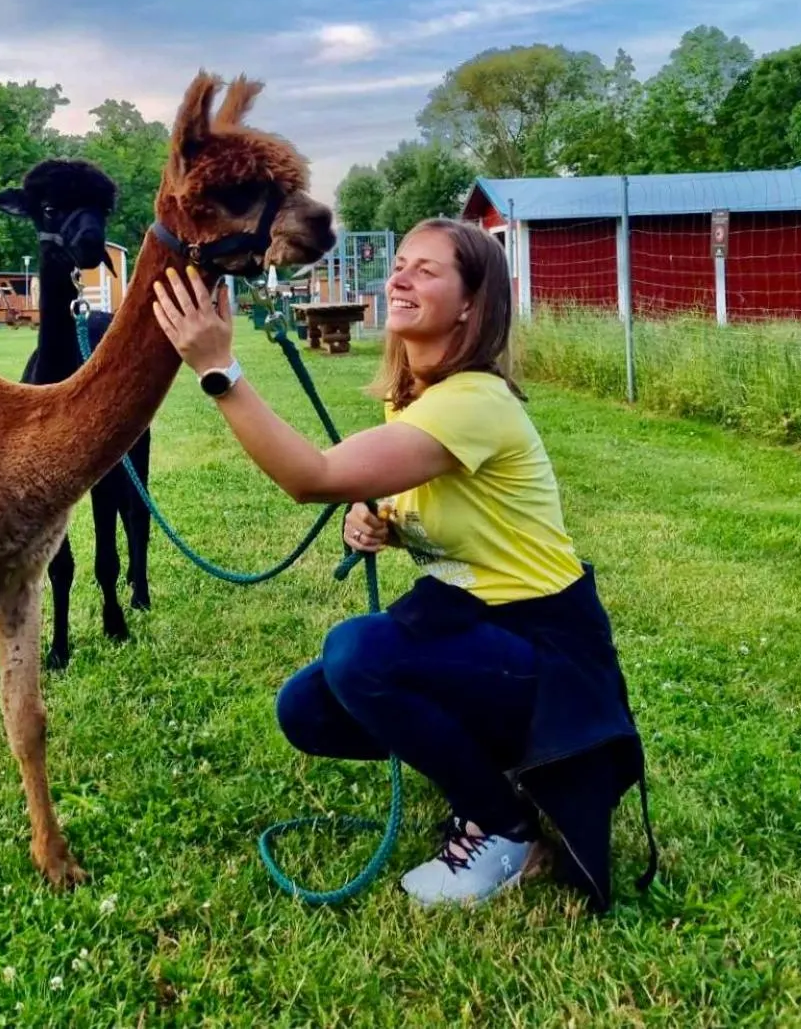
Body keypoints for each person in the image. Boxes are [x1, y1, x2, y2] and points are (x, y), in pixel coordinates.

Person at [151, 218, 655, 911]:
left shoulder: (474, 402)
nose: (400, 277)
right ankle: (496, 774)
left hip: (550, 656)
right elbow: (427, 498)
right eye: (400, 265)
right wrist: (381, 520)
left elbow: (313, 477)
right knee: (308, 710)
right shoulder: (412, 397)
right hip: (480, 631)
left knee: (360, 654)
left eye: (427, 269)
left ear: (471, 303)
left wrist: (220, 369)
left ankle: (506, 828)